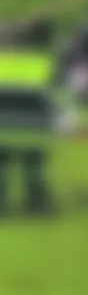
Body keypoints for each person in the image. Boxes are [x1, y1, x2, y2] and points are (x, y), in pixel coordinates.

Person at [0, 29, 57, 214]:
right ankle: (37, 204)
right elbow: (52, 96)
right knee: (33, 167)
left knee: (2, 167)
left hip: (5, 125)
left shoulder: (2, 63)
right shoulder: (42, 63)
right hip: (34, 126)